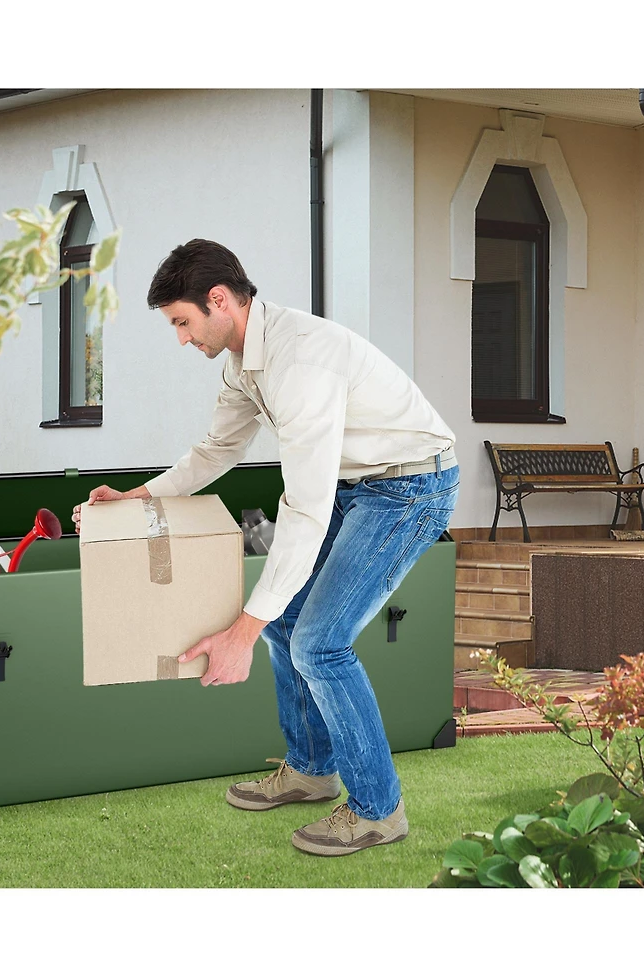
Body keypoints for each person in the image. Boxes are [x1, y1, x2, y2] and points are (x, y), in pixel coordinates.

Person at [72, 239, 459, 857]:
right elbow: (215, 451)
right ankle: (310, 771)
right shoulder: (241, 362)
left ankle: (377, 811)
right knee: (287, 626)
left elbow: (304, 508)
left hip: (409, 487)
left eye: (182, 322)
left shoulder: (301, 364)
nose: (180, 339)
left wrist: (241, 632)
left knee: (318, 642)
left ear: (219, 300)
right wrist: (140, 495)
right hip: (355, 484)